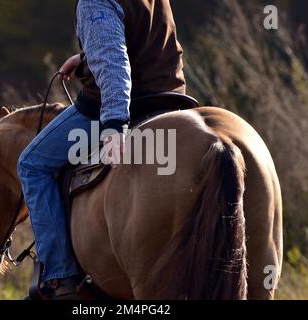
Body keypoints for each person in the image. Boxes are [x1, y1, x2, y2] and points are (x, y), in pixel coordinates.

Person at [17, 0, 186, 299]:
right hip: (171, 100)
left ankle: (59, 278)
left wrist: (115, 124)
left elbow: (112, 64)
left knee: (31, 165)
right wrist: (84, 59)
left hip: (123, 106)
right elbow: (141, 39)